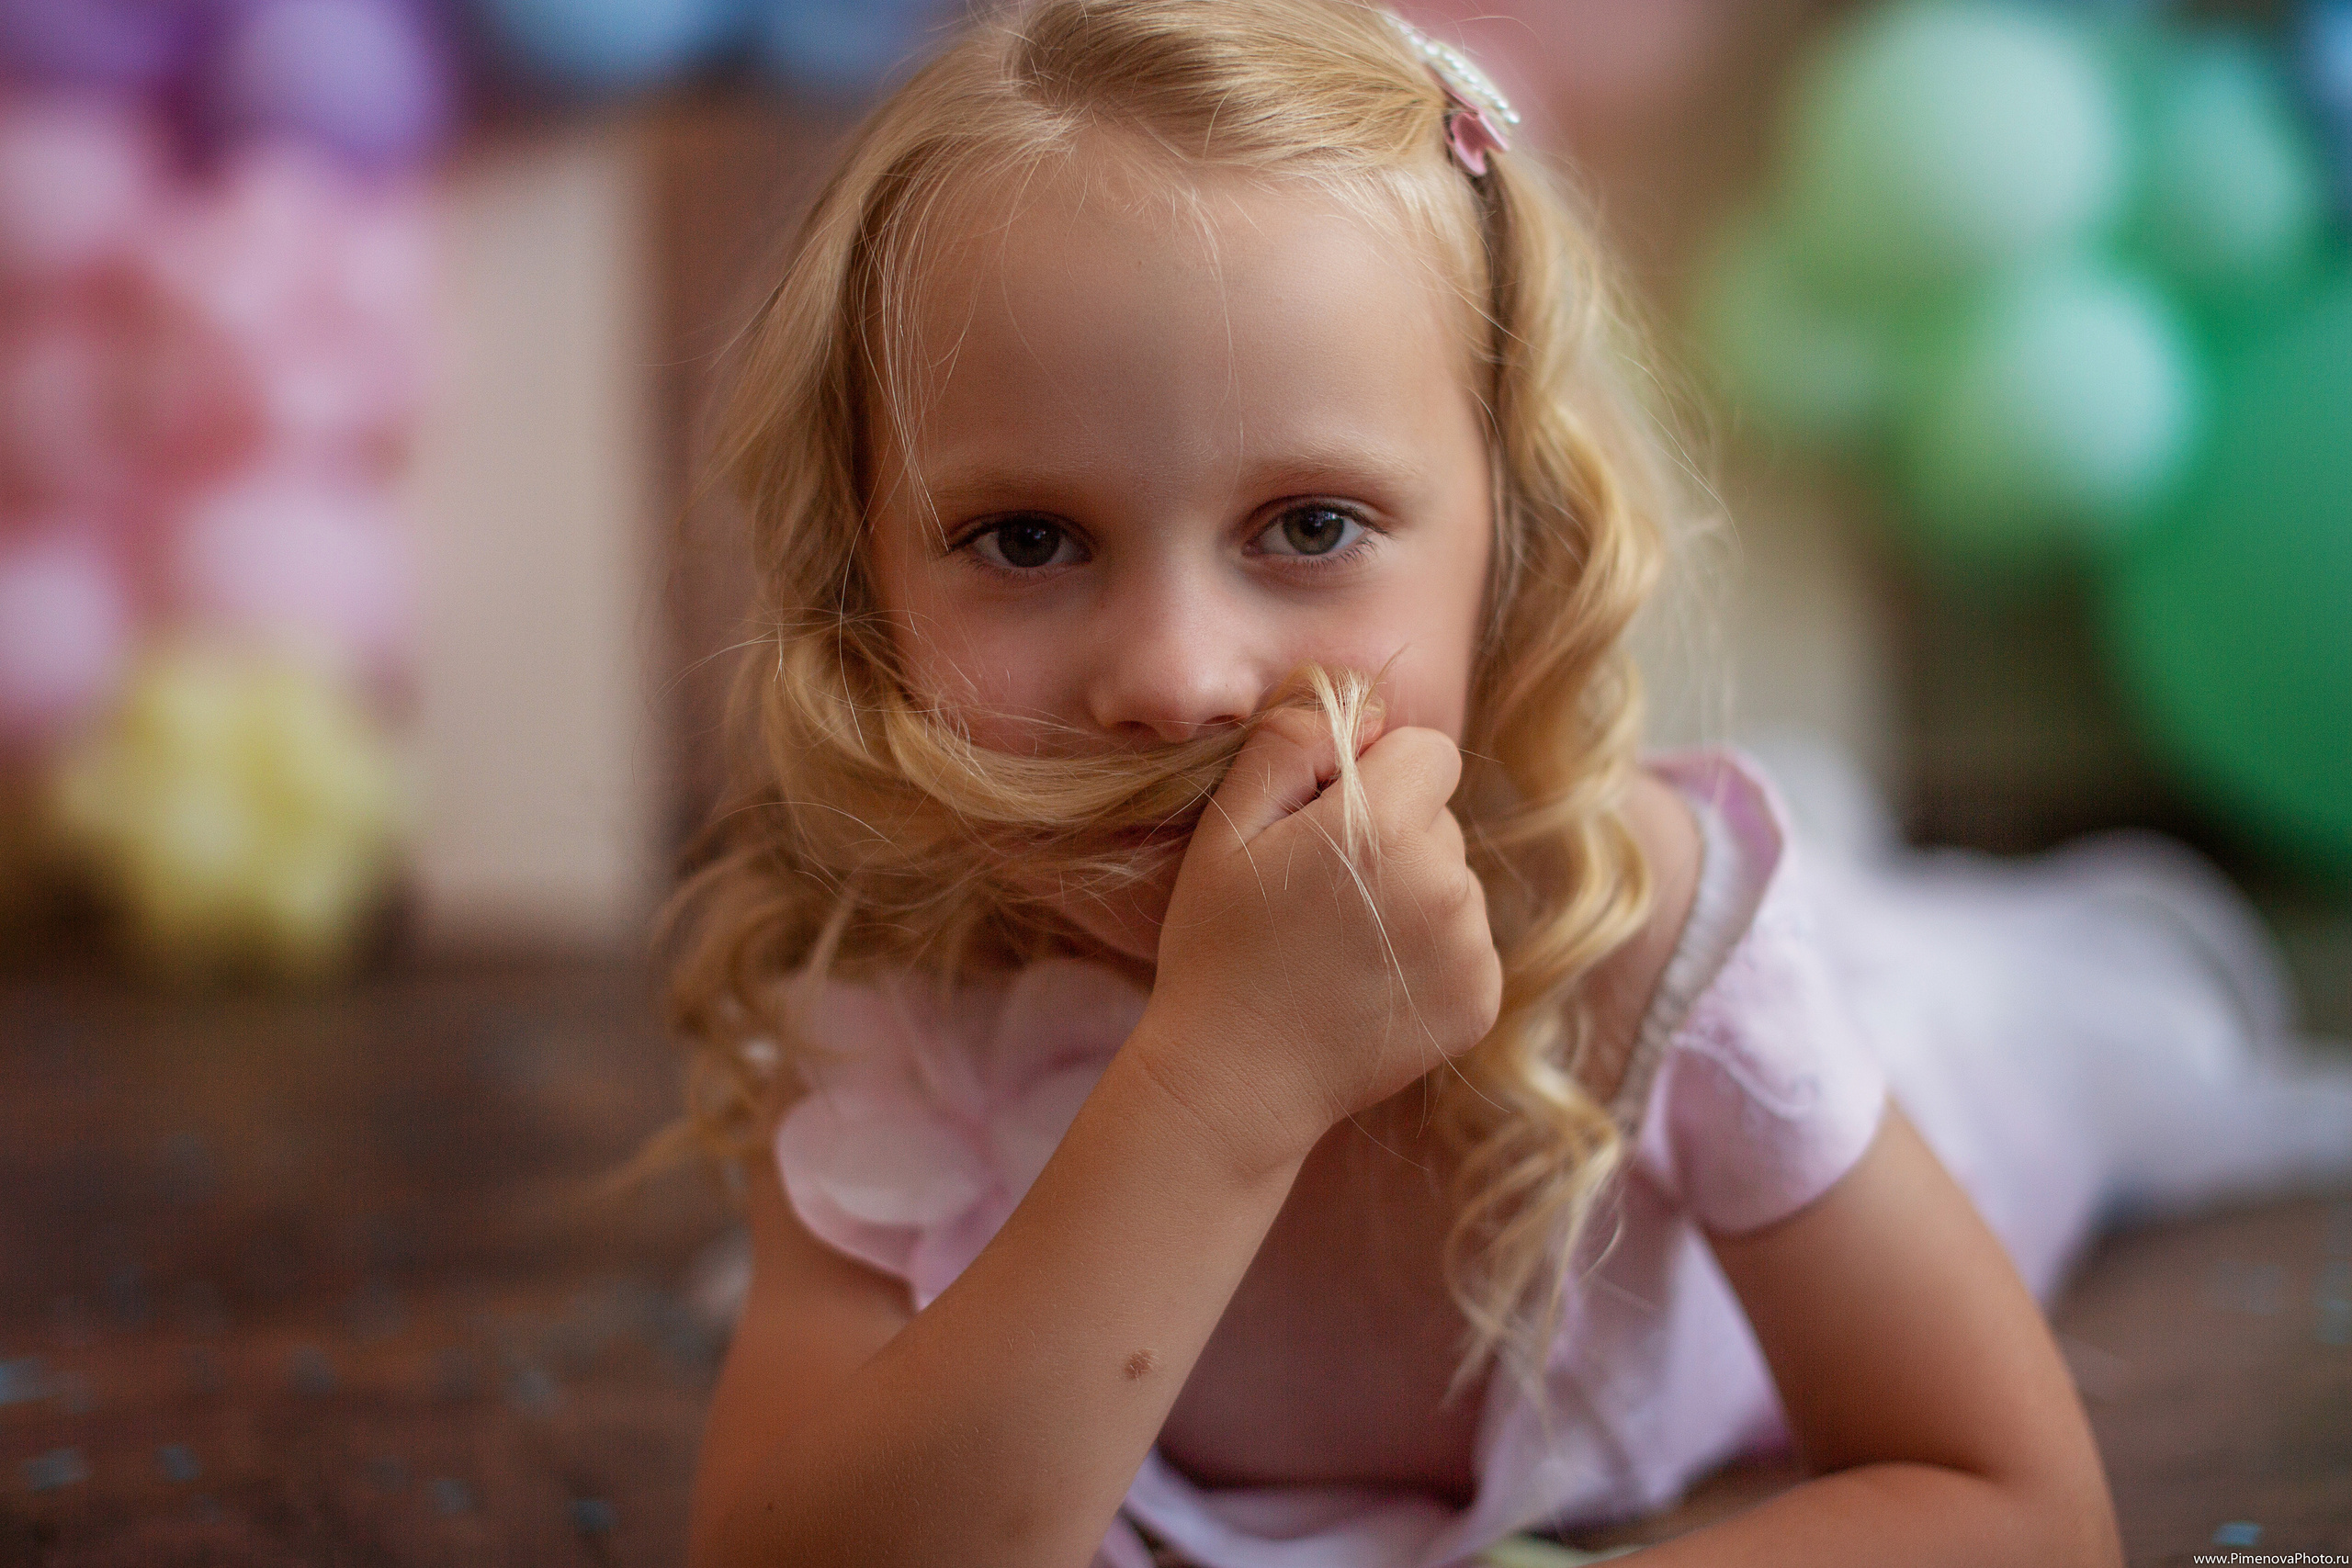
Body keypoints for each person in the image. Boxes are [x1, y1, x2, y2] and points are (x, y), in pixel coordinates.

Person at [665, 4, 2352, 1564]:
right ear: (863, 573)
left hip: (1932, 1061)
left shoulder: (1653, 937)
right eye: (1025, 539)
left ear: (1511, 552)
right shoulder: (897, 989)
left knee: (2029, 1025)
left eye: (1311, 527)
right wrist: (1215, 1089)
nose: (1175, 676)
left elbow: (2023, 1509)